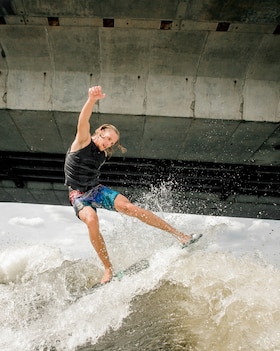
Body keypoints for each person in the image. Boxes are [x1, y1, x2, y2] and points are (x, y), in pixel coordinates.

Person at [64, 85, 202, 285]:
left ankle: (181, 236)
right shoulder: (82, 141)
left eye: (112, 143)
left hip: (96, 190)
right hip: (78, 195)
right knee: (92, 220)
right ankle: (108, 270)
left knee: (129, 207)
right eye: (108, 139)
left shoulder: (102, 154)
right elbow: (82, 120)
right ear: (100, 132)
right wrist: (92, 100)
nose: (108, 144)